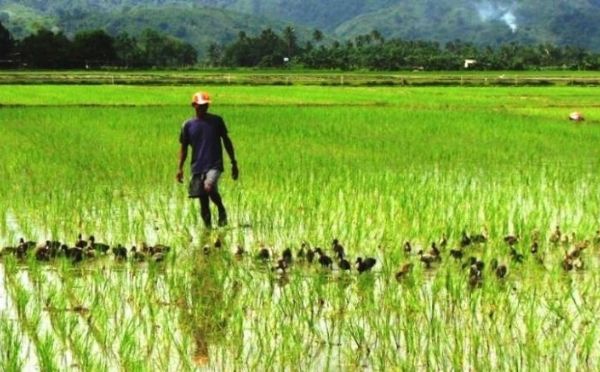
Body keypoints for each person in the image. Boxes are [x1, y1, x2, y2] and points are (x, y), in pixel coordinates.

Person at [177, 91, 238, 228]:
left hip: (214, 164)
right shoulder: (187, 125)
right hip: (197, 166)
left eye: (206, 105)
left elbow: (227, 141)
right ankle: (208, 231)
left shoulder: (217, 121)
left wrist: (234, 162)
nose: (204, 107)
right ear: (194, 105)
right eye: (201, 105)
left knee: (209, 187)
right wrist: (180, 168)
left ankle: (221, 209)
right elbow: (183, 149)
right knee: (203, 200)